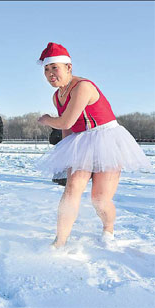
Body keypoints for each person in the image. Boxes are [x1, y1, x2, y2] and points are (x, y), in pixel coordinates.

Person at [36, 42, 152, 249]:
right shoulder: (57, 95)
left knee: (99, 198)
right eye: (46, 69)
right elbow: (68, 130)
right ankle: (60, 241)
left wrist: (46, 119)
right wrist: (66, 155)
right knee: (71, 189)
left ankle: (108, 229)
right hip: (81, 141)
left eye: (55, 67)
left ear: (68, 68)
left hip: (107, 139)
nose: (50, 73)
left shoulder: (83, 87)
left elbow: (65, 121)